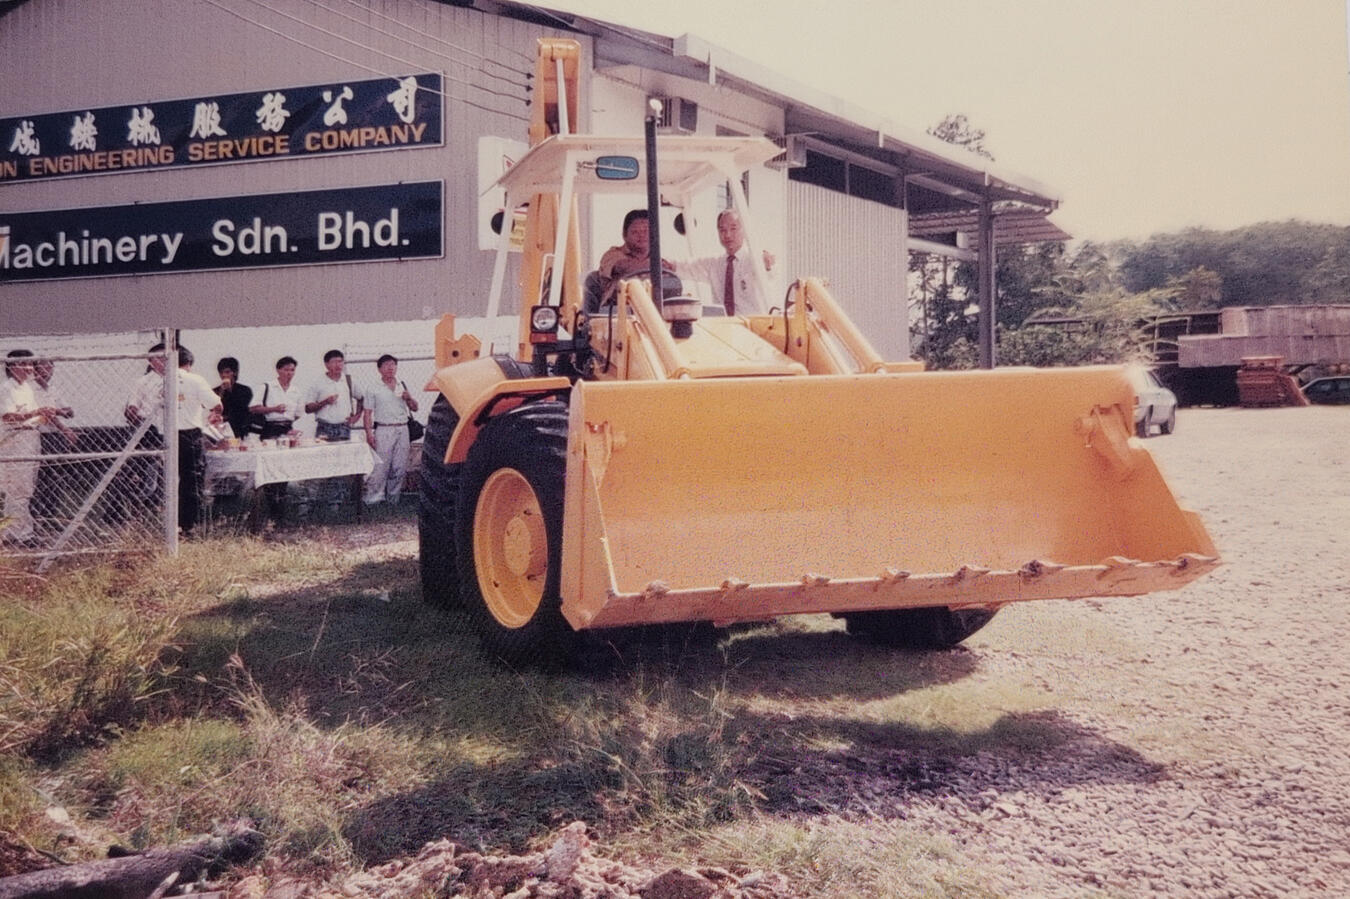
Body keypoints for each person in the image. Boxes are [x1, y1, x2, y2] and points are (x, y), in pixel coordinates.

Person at [677, 209, 776, 316]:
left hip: (752, 327)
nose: (728, 235)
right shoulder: (715, 264)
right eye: (722, 230)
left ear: (744, 231)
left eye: (733, 229)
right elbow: (687, 267)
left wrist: (768, 266)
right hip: (724, 327)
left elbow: (770, 275)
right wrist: (669, 265)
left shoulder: (755, 261)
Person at [303, 349, 365, 515]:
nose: (338, 365)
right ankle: (310, 501)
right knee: (319, 463)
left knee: (341, 464)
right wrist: (324, 402)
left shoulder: (349, 380)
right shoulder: (318, 383)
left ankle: (335, 502)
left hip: (343, 427)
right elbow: (308, 408)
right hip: (324, 428)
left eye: (341, 362)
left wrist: (357, 416)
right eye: (335, 362)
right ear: (326, 364)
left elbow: (362, 398)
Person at [173, 348, 224, 537]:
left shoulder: (155, 380)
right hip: (188, 434)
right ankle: (187, 526)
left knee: (162, 479)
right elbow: (216, 404)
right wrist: (214, 412)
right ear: (188, 364)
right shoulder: (194, 379)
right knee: (191, 479)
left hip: (160, 434)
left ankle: (156, 519)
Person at [250, 355, 304, 523]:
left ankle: (280, 510)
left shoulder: (296, 391)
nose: (289, 373)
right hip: (270, 429)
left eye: (292, 370)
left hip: (287, 429)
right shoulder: (267, 387)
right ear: (278, 370)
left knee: (284, 469)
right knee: (270, 469)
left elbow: (298, 413)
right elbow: (253, 408)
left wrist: (291, 428)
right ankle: (272, 509)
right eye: (286, 369)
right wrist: (273, 408)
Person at [361, 354, 419, 506]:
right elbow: (367, 413)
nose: (390, 368)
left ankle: (393, 499)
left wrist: (409, 398)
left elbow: (415, 408)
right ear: (379, 369)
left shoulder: (402, 384)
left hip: (402, 428)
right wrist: (369, 433)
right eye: (386, 365)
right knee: (381, 465)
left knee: (399, 466)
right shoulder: (373, 388)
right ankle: (373, 499)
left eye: (393, 364)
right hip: (384, 429)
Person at [1, 350, 45, 546]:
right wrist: (36, 412)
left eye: (30, 364)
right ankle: (16, 533)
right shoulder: (6, 388)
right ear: (12, 366)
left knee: (26, 488)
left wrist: (44, 414)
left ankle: (21, 531)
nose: (29, 368)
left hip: (30, 438)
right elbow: (8, 416)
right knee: (16, 487)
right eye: (24, 364)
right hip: (15, 441)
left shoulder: (27, 388)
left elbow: (33, 415)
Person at [596, 209, 675, 306]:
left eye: (646, 231)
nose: (641, 235)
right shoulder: (612, 255)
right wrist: (656, 266)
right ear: (624, 235)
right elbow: (624, 266)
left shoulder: (661, 261)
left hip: (652, 313)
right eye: (635, 232)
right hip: (615, 314)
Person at [31, 358, 77, 524]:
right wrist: (64, 426)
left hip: (55, 436)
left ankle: (51, 513)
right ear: (35, 370)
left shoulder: (53, 389)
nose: (47, 371)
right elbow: (46, 415)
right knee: (41, 476)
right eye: (43, 368)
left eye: (50, 368)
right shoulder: (31, 389)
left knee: (57, 476)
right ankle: (37, 514)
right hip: (40, 436)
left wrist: (57, 412)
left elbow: (70, 411)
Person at [213, 357, 254, 439]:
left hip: (241, 428)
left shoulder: (245, 389)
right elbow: (214, 409)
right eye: (221, 372)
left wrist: (230, 390)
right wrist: (222, 391)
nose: (224, 375)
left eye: (227, 372)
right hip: (222, 429)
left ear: (234, 372)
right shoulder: (215, 391)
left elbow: (241, 407)